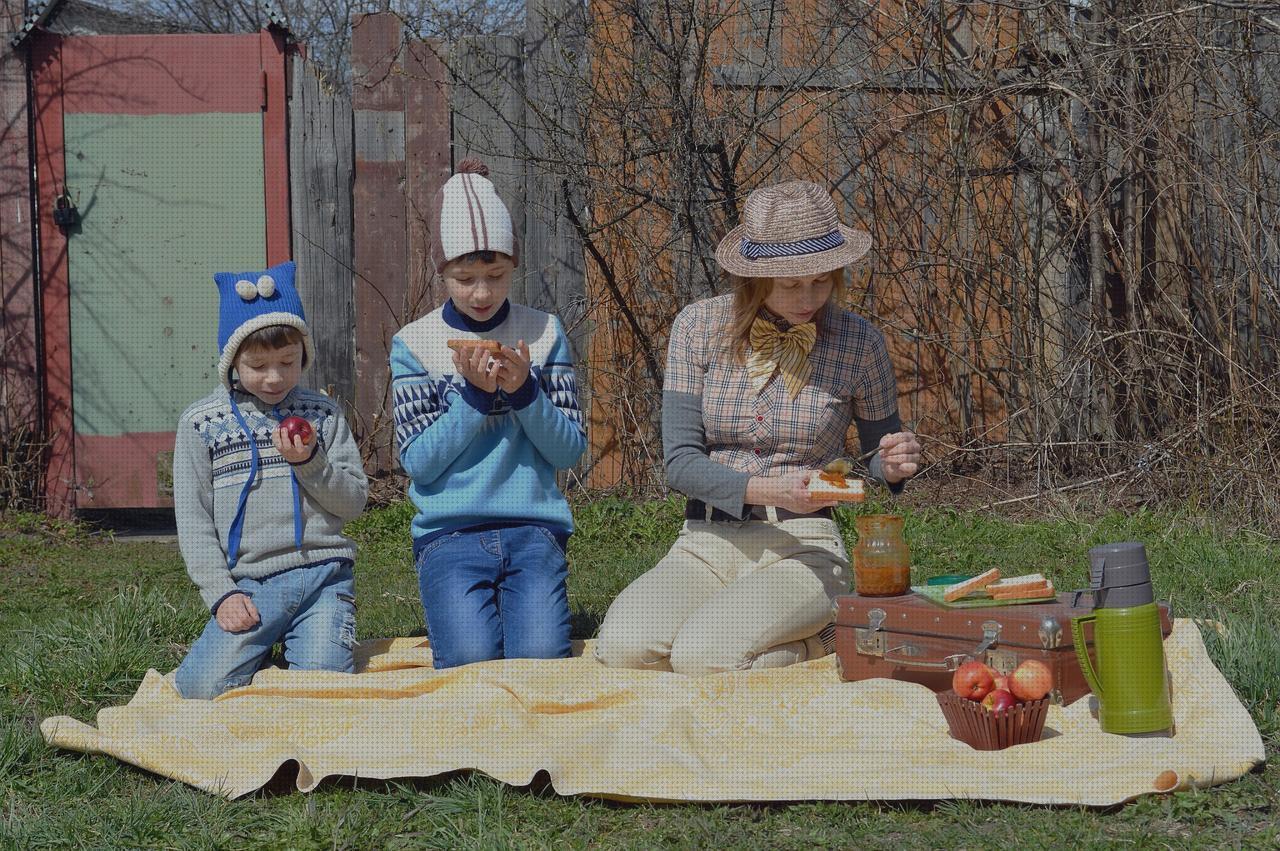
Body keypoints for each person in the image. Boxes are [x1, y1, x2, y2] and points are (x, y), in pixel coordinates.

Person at [594, 180, 923, 675]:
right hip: (706, 542)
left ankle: (824, 639)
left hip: (805, 545)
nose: (809, 296)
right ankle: (770, 638)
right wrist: (769, 489)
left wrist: (893, 464)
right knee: (622, 649)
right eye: (790, 284)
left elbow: (877, 459)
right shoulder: (697, 328)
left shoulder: (861, 343)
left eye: (821, 279)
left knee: (703, 657)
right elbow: (680, 464)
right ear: (753, 278)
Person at [390, 159, 587, 669]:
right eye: (465, 277)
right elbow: (420, 463)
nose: (481, 292)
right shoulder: (416, 343)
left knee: (540, 660)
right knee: (470, 661)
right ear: (442, 272)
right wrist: (474, 399)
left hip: (533, 528)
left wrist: (525, 391)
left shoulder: (543, 333)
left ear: (514, 266)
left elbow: (568, 450)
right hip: (449, 534)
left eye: (496, 275)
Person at [173, 259, 369, 699]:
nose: (275, 377)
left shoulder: (322, 415)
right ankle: (255, 648)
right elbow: (193, 519)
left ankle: (298, 647)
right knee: (199, 690)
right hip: (250, 585)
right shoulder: (201, 423)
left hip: (324, 576)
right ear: (232, 360)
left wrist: (310, 463)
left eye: (288, 361)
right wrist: (222, 595)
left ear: (304, 354)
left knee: (325, 693)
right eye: (258, 365)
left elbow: (354, 502)